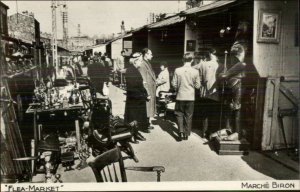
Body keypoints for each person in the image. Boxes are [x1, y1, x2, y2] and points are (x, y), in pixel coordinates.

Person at [172, 53, 200, 141]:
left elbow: (174, 84)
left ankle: (180, 132)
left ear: (183, 60)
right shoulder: (195, 71)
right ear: (192, 60)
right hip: (190, 97)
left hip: (180, 96)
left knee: (179, 114)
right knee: (189, 115)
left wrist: (178, 88)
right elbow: (198, 86)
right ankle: (186, 133)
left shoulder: (177, 70)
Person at [193, 48, 220, 138]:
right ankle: (211, 134)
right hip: (215, 92)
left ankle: (204, 133)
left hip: (204, 92)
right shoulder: (220, 65)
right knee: (213, 114)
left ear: (211, 54)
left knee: (204, 113)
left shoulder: (203, 64)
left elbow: (192, 68)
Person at [124, 52, 149, 143]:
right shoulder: (131, 70)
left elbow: (138, 84)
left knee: (136, 117)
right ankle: (131, 135)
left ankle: (135, 133)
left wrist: (144, 93)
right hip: (134, 98)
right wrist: (143, 94)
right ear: (135, 61)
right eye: (139, 61)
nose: (140, 63)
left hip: (137, 97)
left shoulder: (134, 70)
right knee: (133, 117)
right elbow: (133, 86)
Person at [139, 48, 156, 130]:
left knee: (149, 107)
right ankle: (144, 125)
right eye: (150, 54)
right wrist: (147, 93)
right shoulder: (143, 64)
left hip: (151, 88)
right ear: (146, 54)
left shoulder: (148, 63)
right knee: (147, 107)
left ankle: (147, 123)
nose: (152, 56)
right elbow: (143, 80)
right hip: (148, 89)